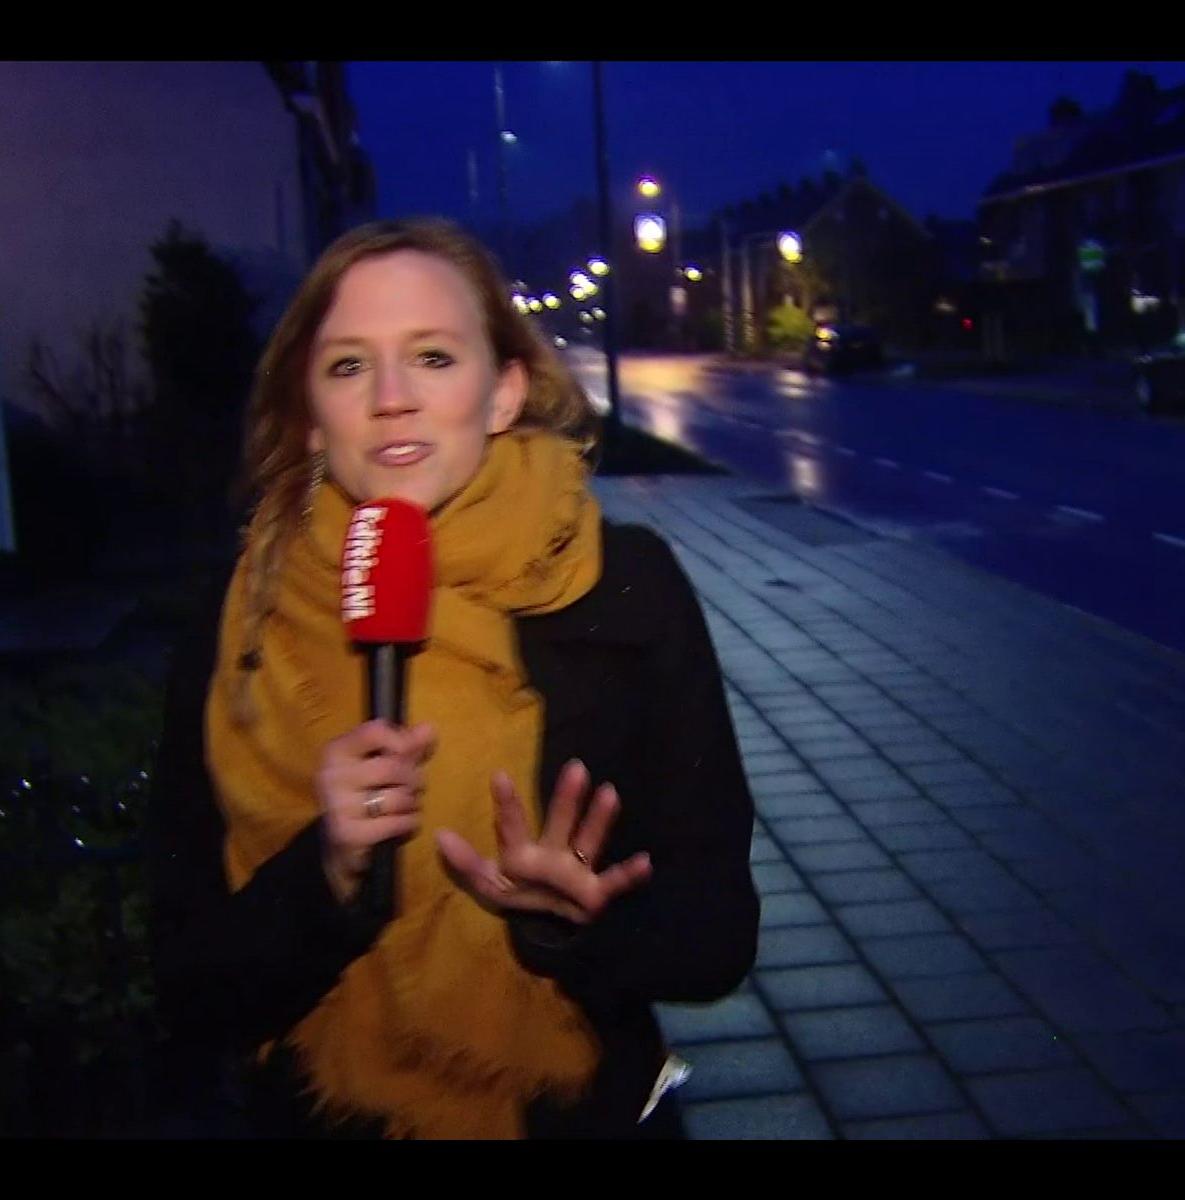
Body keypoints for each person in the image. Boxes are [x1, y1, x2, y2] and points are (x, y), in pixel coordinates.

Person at [147, 216, 760, 1140]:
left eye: (432, 357)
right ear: (311, 416)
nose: (392, 399)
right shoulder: (242, 622)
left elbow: (718, 940)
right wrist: (327, 872)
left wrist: (573, 926)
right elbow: (192, 988)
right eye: (348, 366)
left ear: (504, 391)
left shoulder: (626, 587)